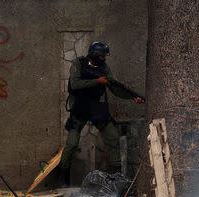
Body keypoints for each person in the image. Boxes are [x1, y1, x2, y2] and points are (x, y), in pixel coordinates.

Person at [58, 41, 144, 186]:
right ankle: (62, 179)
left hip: (97, 108)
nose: (104, 59)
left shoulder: (104, 68)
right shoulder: (78, 64)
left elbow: (114, 87)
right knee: (72, 144)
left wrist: (133, 97)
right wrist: (97, 81)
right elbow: (75, 84)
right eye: (102, 56)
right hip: (79, 108)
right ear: (94, 55)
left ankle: (115, 179)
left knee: (113, 138)